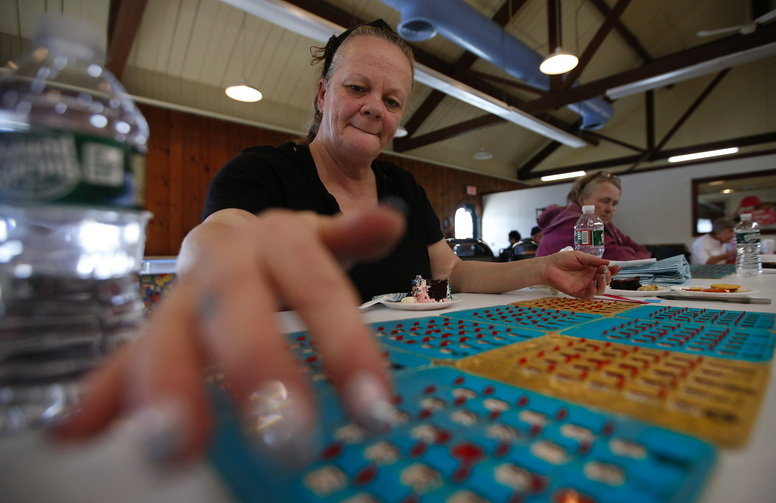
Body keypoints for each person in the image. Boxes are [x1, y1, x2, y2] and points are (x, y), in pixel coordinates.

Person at [55, 20, 618, 467]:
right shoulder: (263, 171)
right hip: (285, 390)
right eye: (357, 88)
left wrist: (544, 268)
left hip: (402, 388)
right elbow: (220, 237)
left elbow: (456, 271)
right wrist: (217, 261)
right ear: (324, 93)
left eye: (393, 100)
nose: (376, 107)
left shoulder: (402, 185)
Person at [535, 171, 651, 260]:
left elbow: (644, 253)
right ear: (582, 200)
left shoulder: (605, 225)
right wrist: (627, 250)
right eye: (605, 201)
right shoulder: (575, 224)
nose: (610, 209)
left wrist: (625, 250)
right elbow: (617, 258)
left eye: (614, 203)